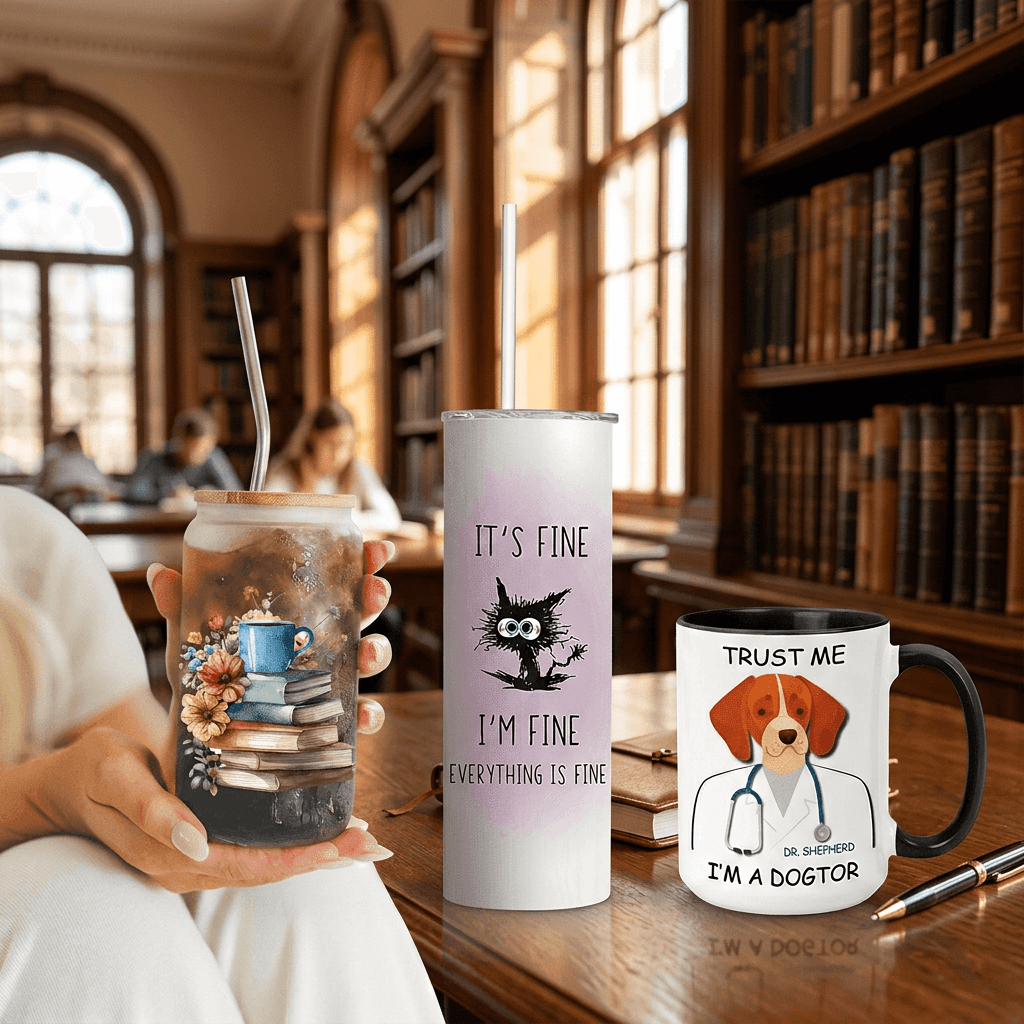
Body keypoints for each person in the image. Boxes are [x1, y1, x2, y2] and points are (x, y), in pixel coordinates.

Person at [0, 486, 444, 1024]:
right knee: (79, 913)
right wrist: (45, 796)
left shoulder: (28, 540)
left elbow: (135, 748)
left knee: (308, 885)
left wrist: (189, 753)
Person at [266, 399, 401, 535]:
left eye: (347, 445)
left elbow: (391, 518)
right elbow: (268, 516)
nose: (339, 455)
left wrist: (334, 520)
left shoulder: (358, 469)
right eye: (330, 443)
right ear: (311, 437)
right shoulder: (286, 470)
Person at [125, 407, 242, 505]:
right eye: (191, 449)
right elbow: (133, 492)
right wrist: (167, 495)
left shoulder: (213, 457)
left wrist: (208, 495)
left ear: (212, 443)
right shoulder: (153, 458)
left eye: (204, 450)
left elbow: (236, 492)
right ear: (178, 439)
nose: (197, 456)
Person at [34, 429, 118, 514]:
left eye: (75, 441)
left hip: (94, 501)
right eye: (70, 442)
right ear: (64, 443)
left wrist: (86, 489)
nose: (73, 444)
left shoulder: (88, 461)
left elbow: (106, 486)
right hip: (66, 503)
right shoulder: (54, 462)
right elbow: (45, 489)